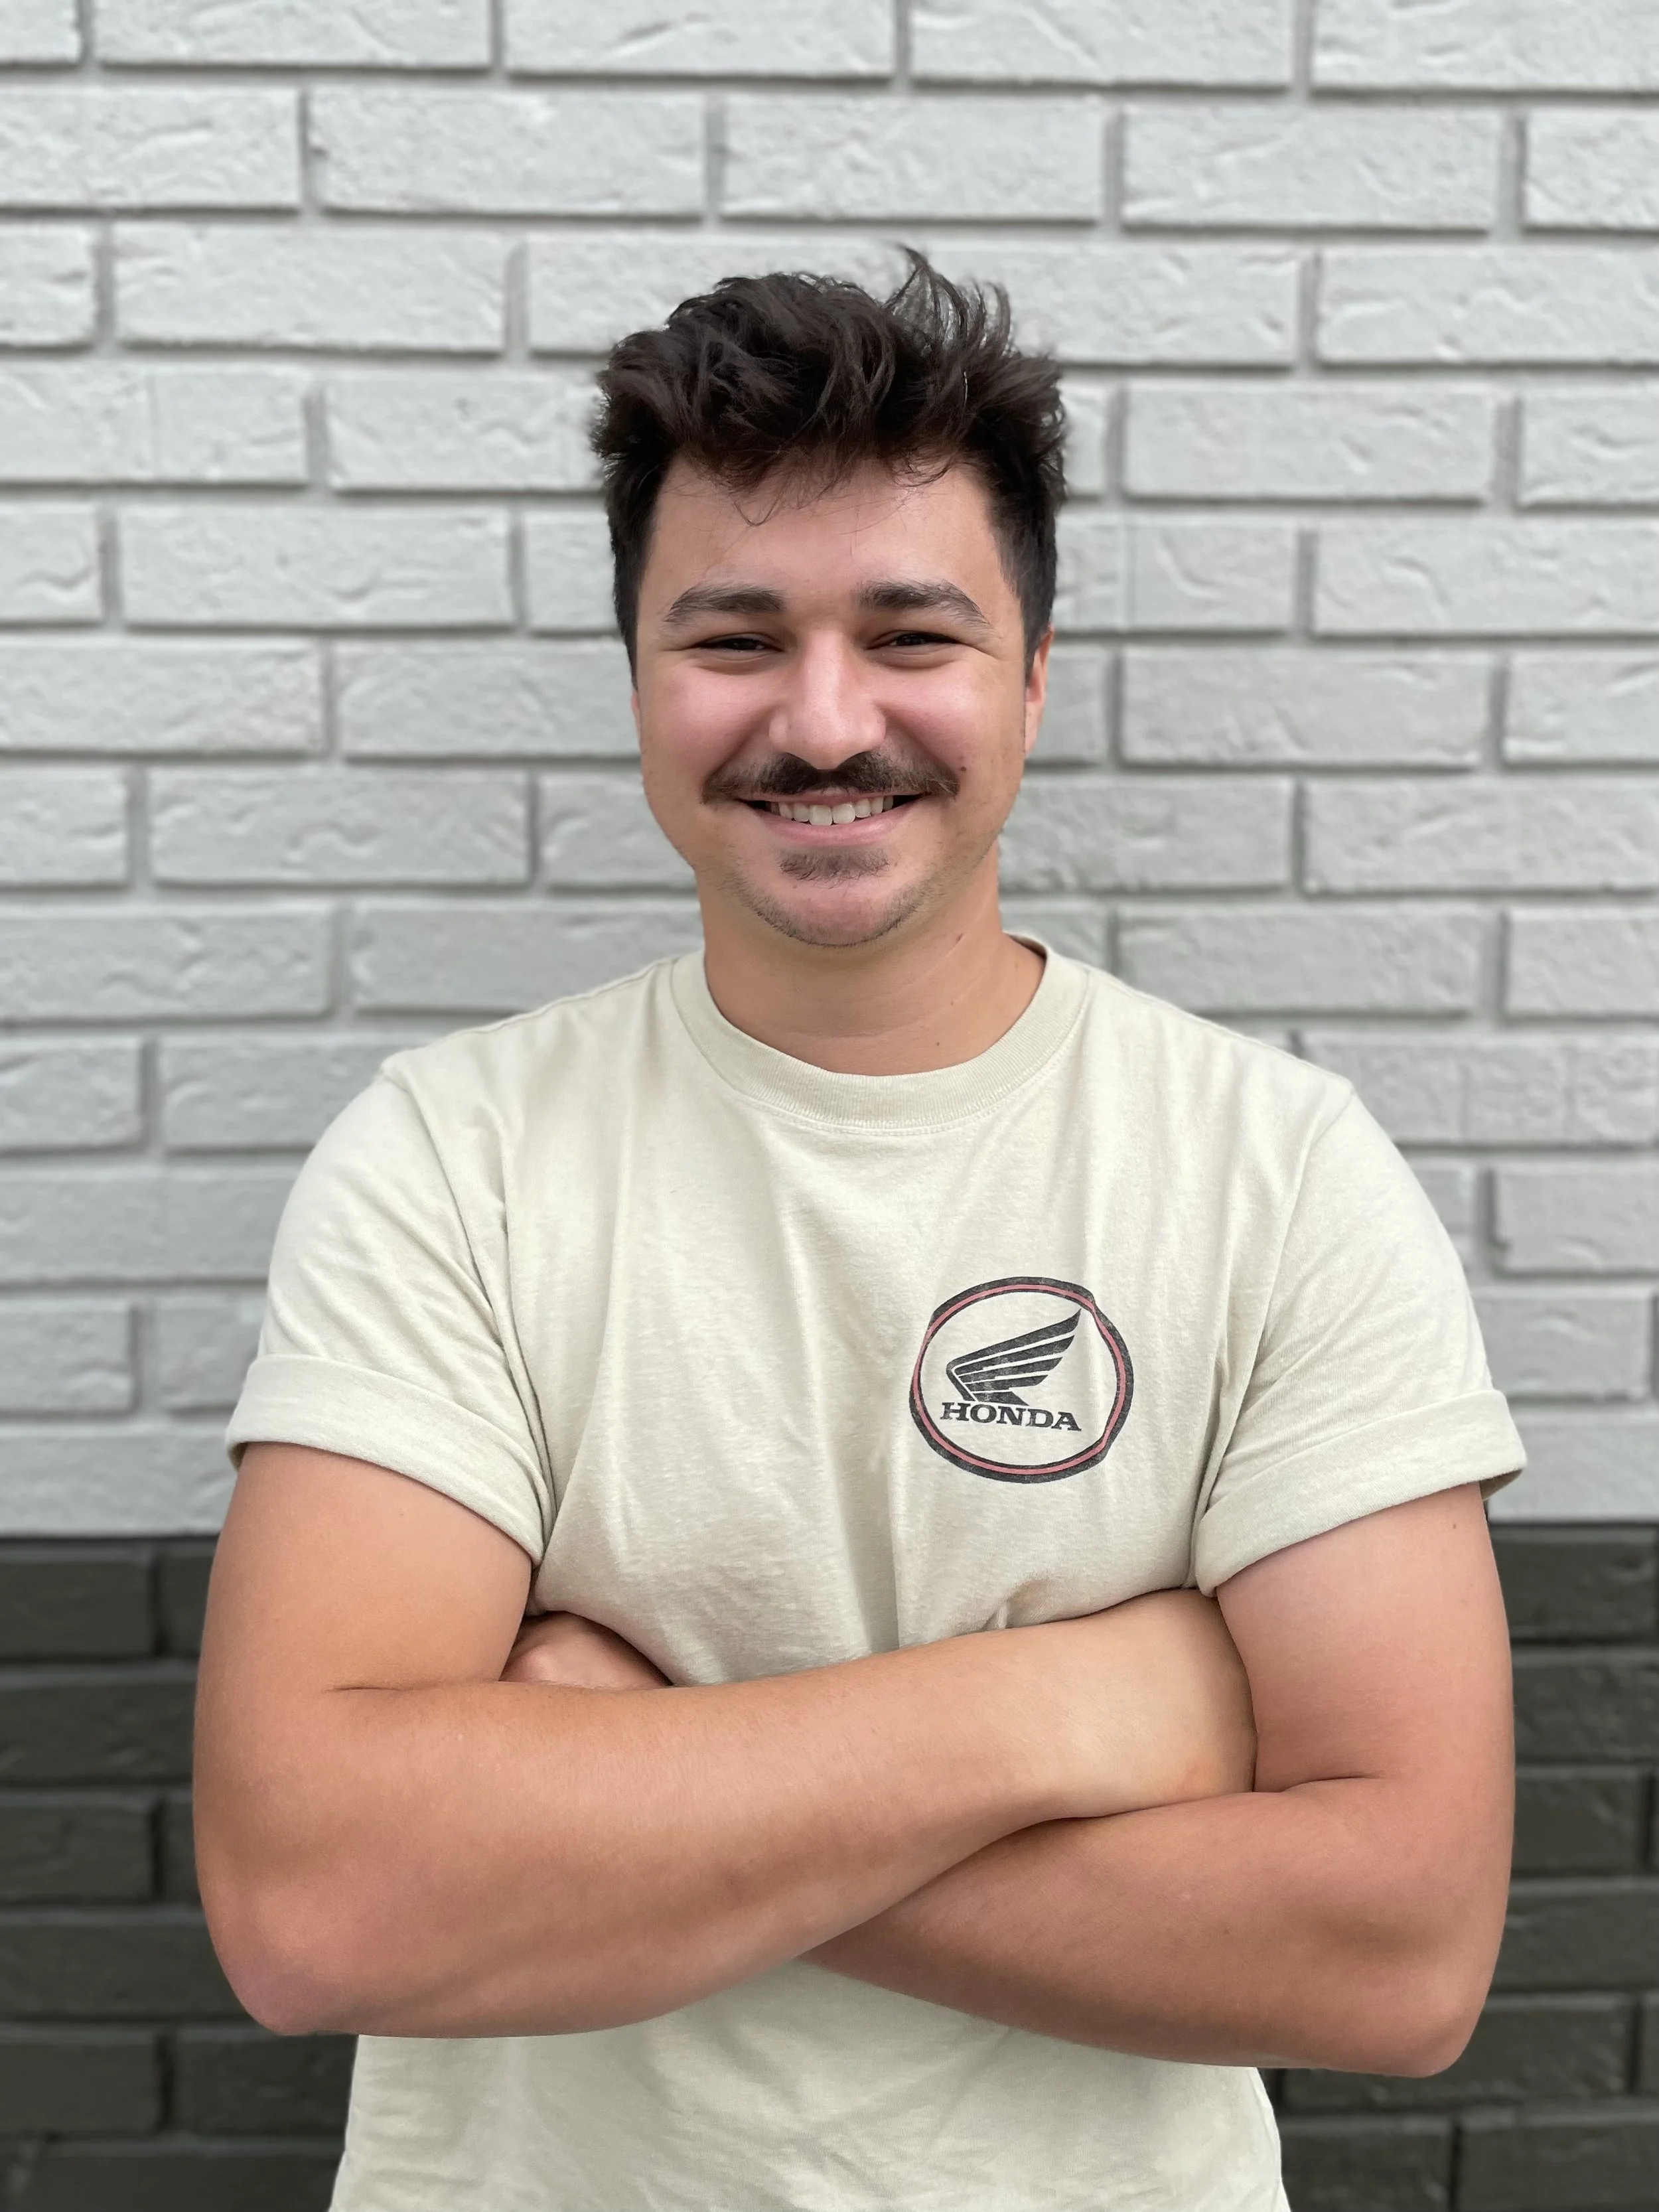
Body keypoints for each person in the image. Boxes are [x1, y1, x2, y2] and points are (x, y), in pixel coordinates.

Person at [198, 258, 1524, 2212]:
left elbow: (1396, 1952)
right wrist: (1075, 1704)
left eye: (911, 633)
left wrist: (630, 1785)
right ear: (638, 679)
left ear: (1032, 677)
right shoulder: (452, 1161)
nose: (823, 721)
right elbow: (321, 1902)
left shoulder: (1271, 1166)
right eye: (733, 636)